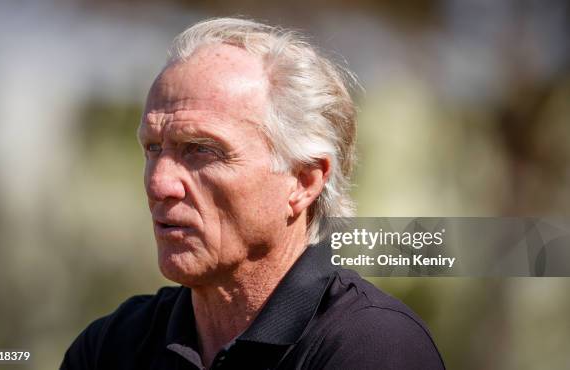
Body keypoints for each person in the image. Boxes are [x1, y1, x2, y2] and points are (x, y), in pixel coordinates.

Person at [61, 17, 445, 370]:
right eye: (153, 149)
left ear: (304, 181)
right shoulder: (112, 346)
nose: (160, 183)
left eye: (202, 150)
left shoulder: (373, 347)